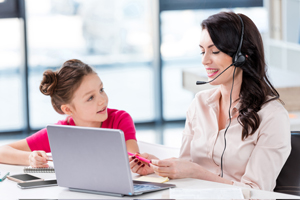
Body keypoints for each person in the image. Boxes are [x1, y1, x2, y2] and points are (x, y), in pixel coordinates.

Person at [129, 12, 291, 191]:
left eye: (214, 51)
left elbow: (256, 191)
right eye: (202, 51)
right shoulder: (199, 103)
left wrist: (197, 172)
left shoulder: (272, 116)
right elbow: (186, 165)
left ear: (242, 55)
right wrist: (156, 167)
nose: (204, 60)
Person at [0, 59, 139, 168]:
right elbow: (2, 151)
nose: (102, 100)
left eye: (101, 89)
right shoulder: (60, 133)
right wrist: (29, 158)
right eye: (90, 98)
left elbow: (134, 161)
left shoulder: (120, 120)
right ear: (68, 110)